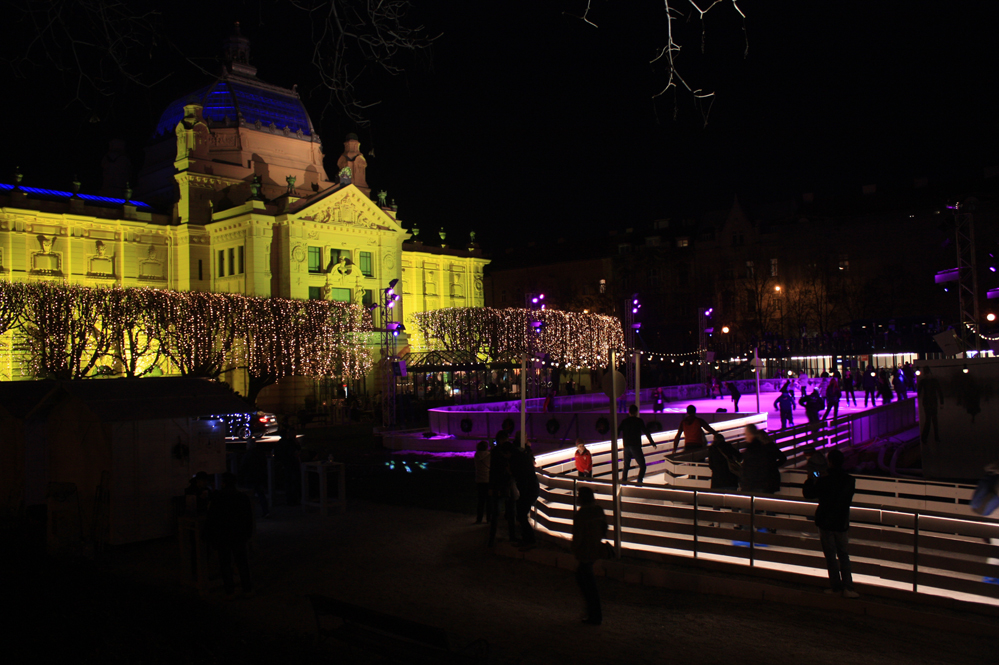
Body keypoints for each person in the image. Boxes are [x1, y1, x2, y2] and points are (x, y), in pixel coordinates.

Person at [803, 449, 859, 598]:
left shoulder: (824, 480)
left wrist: (810, 479)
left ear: (830, 462)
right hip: (841, 521)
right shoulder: (849, 480)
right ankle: (848, 587)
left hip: (826, 521)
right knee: (843, 554)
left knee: (830, 556)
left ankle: (836, 587)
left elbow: (809, 494)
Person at [203, 473, 254, 598]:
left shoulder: (218, 497)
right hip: (239, 535)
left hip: (223, 535)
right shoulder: (242, 497)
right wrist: (248, 533)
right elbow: (248, 518)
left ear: (223, 483)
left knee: (225, 563)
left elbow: (212, 518)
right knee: (242, 562)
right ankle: (247, 588)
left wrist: (211, 536)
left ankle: (229, 591)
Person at [572, 486, 608, 626]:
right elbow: (604, 528)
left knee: (587, 583)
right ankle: (592, 613)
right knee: (587, 580)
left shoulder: (581, 515)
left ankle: (594, 615)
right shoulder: (598, 510)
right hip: (595, 548)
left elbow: (578, 537)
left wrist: (575, 550)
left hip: (585, 551)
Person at [739, 424, 788, 496]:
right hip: (770, 480)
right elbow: (782, 458)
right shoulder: (770, 447)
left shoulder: (757, 449)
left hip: (758, 483)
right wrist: (773, 465)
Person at [487, 440, 517, 547]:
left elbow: (492, 473)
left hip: (500, 488)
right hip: (504, 488)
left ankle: (492, 538)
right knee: (507, 513)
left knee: (498, 513)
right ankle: (511, 536)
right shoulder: (507, 459)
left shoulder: (496, 457)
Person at [511, 442, 540, 547]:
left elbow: (522, 479)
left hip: (528, 491)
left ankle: (530, 539)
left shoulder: (518, 462)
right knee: (522, 514)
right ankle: (528, 538)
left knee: (521, 514)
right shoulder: (525, 459)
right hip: (531, 490)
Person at [620, 405, 656, 484]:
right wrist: (652, 443)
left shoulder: (624, 421)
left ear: (629, 412)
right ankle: (639, 482)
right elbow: (646, 432)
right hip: (635, 446)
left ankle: (624, 481)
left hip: (626, 446)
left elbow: (617, 431)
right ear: (636, 412)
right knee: (642, 466)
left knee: (626, 466)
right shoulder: (639, 421)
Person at [917, 367, 944, 444]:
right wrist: (941, 402)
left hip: (927, 402)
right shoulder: (934, 381)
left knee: (928, 420)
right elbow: (939, 391)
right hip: (932, 402)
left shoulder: (923, 382)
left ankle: (924, 438)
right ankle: (936, 437)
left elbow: (919, 391)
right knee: (934, 420)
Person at [474, 440, 491, 524]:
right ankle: (489, 518)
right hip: (487, 480)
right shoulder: (489, 456)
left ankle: (479, 518)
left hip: (479, 480)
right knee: (489, 501)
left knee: (480, 501)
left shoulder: (476, 455)